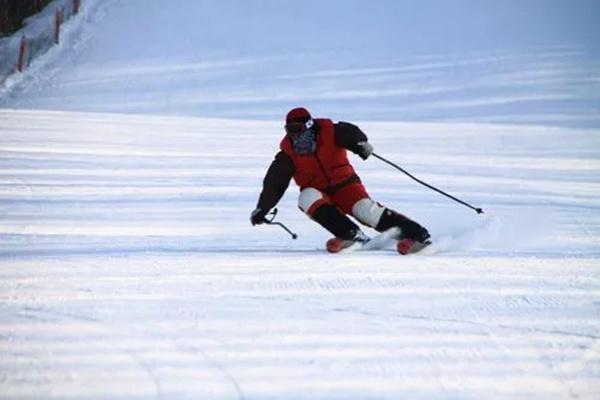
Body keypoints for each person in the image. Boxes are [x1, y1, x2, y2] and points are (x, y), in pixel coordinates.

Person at [250, 107, 431, 254]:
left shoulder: (330, 132)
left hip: (347, 187)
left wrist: (361, 144)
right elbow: (275, 182)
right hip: (319, 191)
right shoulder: (288, 153)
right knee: (306, 197)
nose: (294, 136)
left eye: (298, 129)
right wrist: (262, 208)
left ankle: (417, 235)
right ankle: (351, 235)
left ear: (309, 126)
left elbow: (351, 132)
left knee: (367, 212)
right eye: (289, 131)